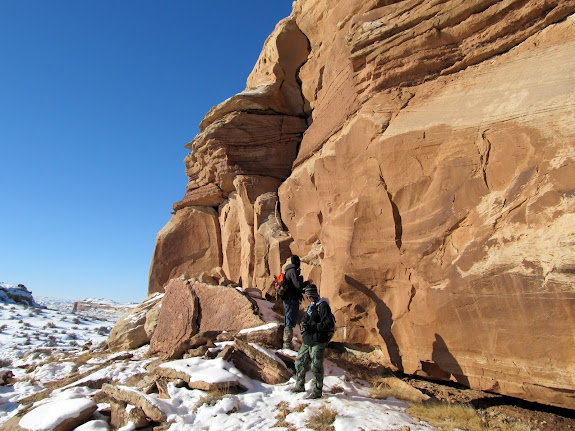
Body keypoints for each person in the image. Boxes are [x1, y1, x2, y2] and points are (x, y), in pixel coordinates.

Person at [292, 283, 333, 399]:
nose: (307, 298)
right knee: (300, 362)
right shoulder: (311, 307)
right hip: (308, 340)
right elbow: (304, 322)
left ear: (312, 295)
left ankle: (317, 391)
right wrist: (304, 331)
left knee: (316, 366)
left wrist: (314, 325)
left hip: (318, 341)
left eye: (308, 296)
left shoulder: (323, 306)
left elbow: (327, 324)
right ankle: (299, 386)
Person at [281, 255, 306, 350]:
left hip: (288, 299)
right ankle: (286, 344)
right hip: (291, 299)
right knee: (290, 321)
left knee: (288, 319)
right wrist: (306, 283)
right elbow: (298, 285)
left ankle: (287, 343)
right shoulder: (292, 271)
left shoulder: (288, 270)